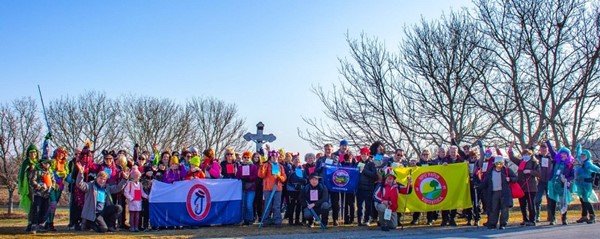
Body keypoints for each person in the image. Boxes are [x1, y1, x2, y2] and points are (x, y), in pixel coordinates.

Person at [75, 160, 128, 233]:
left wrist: (124, 179)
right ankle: (90, 223)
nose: (102, 181)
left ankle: (110, 226)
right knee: (103, 229)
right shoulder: (90, 186)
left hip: (103, 211)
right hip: (95, 212)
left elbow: (118, 188)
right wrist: (81, 173)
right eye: (100, 178)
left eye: (104, 179)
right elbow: (80, 184)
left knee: (118, 208)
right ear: (97, 178)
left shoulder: (107, 188)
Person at [508, 143, 540, 226]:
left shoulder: (534, 163)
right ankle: (525, 219)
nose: (525, 156)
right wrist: (510, 149)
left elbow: (539, 173)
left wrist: (530, 171)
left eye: (527, 154)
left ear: (530, 155)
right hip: (522, 187)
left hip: (531, 187)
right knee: (522, 204)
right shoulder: (521, 162)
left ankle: (532, 220)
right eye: (524, 154)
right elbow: (512, 158)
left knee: (531, 204)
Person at [481, 156, 517, 230]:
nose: (499, 165)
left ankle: (503, 224)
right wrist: (479, 186)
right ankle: (492, 224)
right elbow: (485, 182)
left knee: (504, 209)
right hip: (494, 193)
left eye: (501, 163)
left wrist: (510, 179)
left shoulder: (507, 170)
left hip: (504, 193)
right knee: (493, 209)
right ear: (495, 164)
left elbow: (515, 178)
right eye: (497, 163)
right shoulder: (490, 171)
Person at [546, 140, 575, 225]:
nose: (563, 155)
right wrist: (548, 142)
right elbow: (551, 151)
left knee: (563, 202)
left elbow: (572, 175)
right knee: (552, 201)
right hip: (553, 183)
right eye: (562, 153)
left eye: (565, 154)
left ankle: (564, 218)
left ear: (568, 155)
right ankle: (553, 219)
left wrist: (567, 179)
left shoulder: (570, 164)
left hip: (563, 185)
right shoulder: (556, 161)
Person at [258, 150, 287, 226]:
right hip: (268, 188)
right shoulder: (266, 165)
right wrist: (262, 165)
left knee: (276, 205)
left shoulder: (280, 166)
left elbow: (284, 177)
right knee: (268, 204)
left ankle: (277, 220)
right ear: (270, 157)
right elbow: (261, 175)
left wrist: (279, 177)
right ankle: (266, 220)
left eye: (276, 156)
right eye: (273, 156)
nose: (274, 158)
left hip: (278, 188)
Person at [28, 157, 56, 234]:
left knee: (45, 210)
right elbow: (32, 181)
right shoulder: (37, 171)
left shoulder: (50, 173)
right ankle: (34, 225)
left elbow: (53, 182)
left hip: (47, 194)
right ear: (42, 163)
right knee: (37, 209)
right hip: (38, 194)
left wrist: (51, 187)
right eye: (46, 163)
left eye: (48, 163)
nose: (47, 164)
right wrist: (39, 185)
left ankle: (41, 225)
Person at [411, 149, 439, 225]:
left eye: (427, 154)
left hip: (429, 185)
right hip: (419, 185)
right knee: (418, 202)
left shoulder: (433, 164)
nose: (425, 156)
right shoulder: (418, 164)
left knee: (429, 202)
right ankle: (415, 219)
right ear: (421, 155)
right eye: (424, 154)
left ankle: (429, 219)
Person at [573, 144, 600, 224]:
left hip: (586, 184)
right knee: (582, 199)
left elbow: (596, 169)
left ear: (587, 156)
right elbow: (578, 155)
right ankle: (584, 216)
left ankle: (592, 216)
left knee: (586, 199)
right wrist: (578, 147)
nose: (582, 156)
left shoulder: (588, 163)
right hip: (579, 184)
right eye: (582, 155)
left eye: (584, 155)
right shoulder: (582, 162)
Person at [45, 147, 69, 231]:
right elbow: (49, 172)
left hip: (60, 187)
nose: (61, 155)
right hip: (52, 186)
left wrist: (74, 181)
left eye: (63, 153)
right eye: (60, 153)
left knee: (54, 206)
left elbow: (67, 176)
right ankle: (48, 222)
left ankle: (49, 223)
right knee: (53, 203)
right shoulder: (52, 162)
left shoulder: (65, 164)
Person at [17, 144, 40, 232]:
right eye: (31, 152)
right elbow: (22, 175)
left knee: (37, 205)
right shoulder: (26, 162)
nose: (33, 154)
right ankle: (30, 223)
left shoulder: (38, 163)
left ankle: (35, 223)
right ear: (28, 153)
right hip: (29, 187)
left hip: (38, 187)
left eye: (34, 152)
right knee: (32, 205)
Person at [236, 151, 258, 226]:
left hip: (251, 188)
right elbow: (237, 176)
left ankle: (250, 219)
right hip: (243, 187)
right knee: (243, 204)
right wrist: (242, 177)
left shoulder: (253, 166)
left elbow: (255, 176)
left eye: (248, 157)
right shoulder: (240, 167)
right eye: (245, 157)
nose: (246, 159)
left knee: (249, 204)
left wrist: (249, 178)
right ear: (243, 158)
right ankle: (244, 219)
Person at [123, 166, 148, 232]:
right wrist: (131, 199)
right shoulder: (129, 184)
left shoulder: (140, 184)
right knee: (132, 214)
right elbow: (126, 192)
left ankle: (136, 227)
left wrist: (147, 196)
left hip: (138, 201)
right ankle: (132, 227)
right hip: (132, 202)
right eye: (138, 176)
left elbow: (142, 193)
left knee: (137, 215)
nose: (139, 178)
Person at [356, 147, 376, 226]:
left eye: (365, 154)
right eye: (362, 154)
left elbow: (373, 175)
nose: (363, 156)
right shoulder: (358, 163)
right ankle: (359, 221)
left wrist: (363, 170)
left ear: (368, 155)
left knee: (368, 205)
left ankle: (367, 220)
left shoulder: (371, 164)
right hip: (359, 187)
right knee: (359, 205)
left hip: (368, 187)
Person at [284, 154, 306, 225]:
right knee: (291, 205)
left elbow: (303, 179)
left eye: (298, 161)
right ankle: (290, 220)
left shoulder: (302, 169)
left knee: (299, 205)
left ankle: (297, 220)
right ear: (292, 161)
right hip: (291, 189)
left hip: (299, 189)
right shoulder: (290, 168)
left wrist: (303, 182)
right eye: (295, 160)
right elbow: (287, 178)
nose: (297, 162)